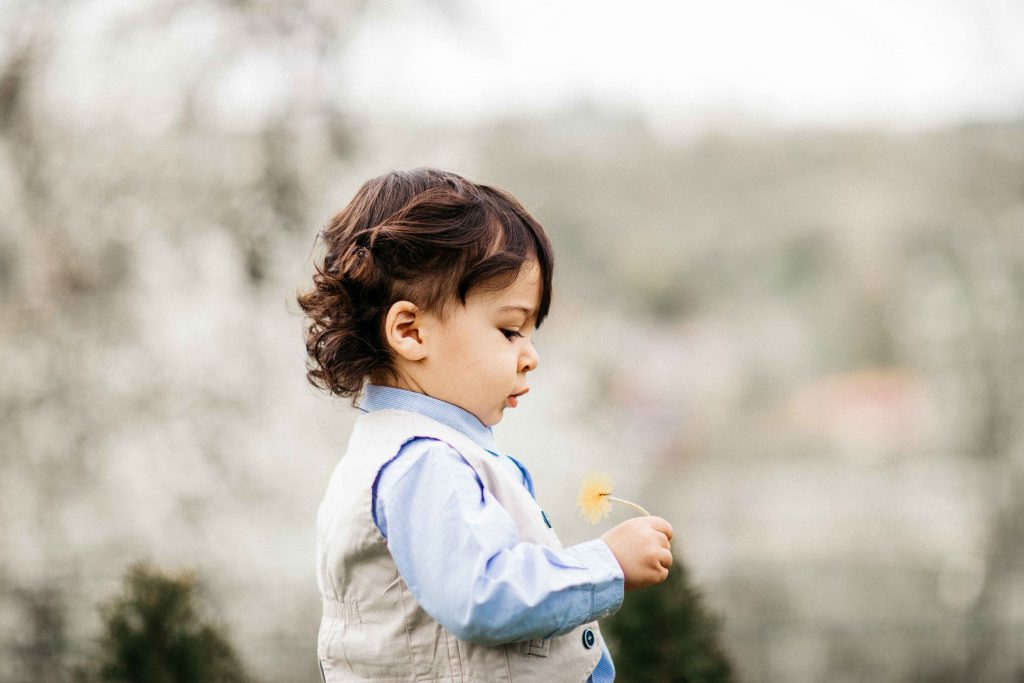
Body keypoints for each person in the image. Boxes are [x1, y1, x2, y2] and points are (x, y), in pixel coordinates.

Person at [298, 168, 674, 682]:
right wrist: (606, 562)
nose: (530, 356)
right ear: (411, 332)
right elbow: (483, 595)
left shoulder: (407, 450)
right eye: (510, 330)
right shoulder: (423, 462)